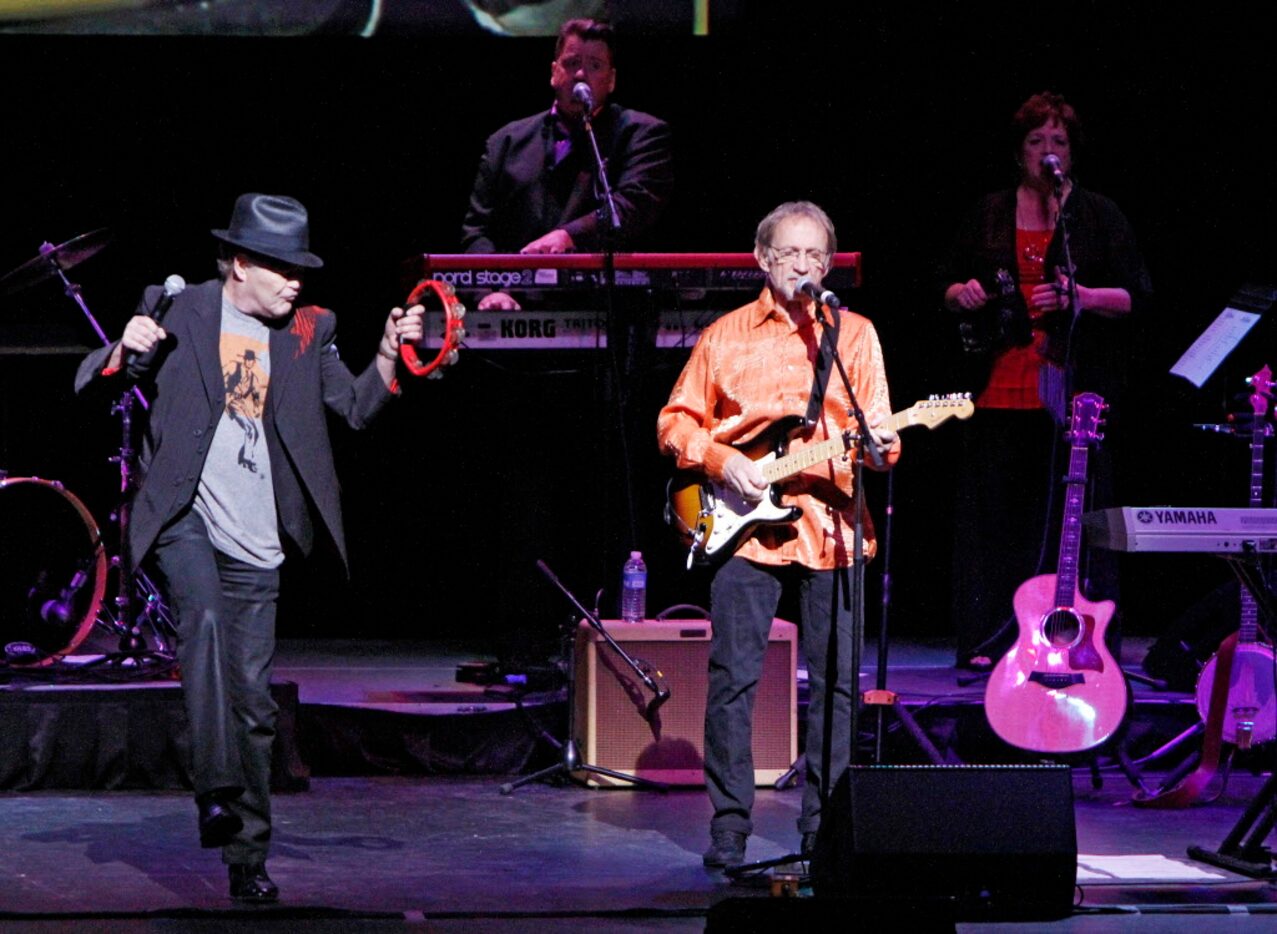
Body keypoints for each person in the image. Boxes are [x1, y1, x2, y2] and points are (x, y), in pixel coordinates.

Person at [75, 193, 424, 902]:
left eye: (302, 269)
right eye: (281, 268)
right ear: (239, 263)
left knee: (255, 708)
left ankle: (245, 857)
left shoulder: (309, 329)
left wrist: (390, 354)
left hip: (258, 539)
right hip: (185, 515)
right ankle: (215, 789)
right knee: (198, 622)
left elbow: (355, 409)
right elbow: (106, 379)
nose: (296, 282)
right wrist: (124, 350)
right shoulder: (181, 308)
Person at [657, 201, 900, 868]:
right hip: (744, 529)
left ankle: (824, 832)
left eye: (814, 255)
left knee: (836, 687)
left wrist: (882, 448)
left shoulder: (853, 337)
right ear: (762, 259)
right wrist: (721, 460)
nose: (802, 265)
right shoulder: (726, 336)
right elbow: (674, 422)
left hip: (832, 528)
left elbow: (879, 431)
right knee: (733, 679)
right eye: (789, 253)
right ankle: (729, 829)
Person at [939, 91, 1152, 670]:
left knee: (1068, 521)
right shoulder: (988, 211)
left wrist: (1079, 297)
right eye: (1037, 142)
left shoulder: (1097, 214)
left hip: (1072, 391)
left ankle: (1075, 637)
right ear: (1019, 153)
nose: (1048, 152)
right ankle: (987, 640)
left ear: (1072, 154)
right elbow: (948, 285)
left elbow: (1136, 295)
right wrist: (964, 294)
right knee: (995, 523)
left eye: (1058, 142)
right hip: (998, 385)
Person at [459, 17, 673, 310]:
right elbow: (477, 231)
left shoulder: (640, 133)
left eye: (595, 65)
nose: (581, 73)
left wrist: (567, 236)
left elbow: (633, 204)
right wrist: (488, 292)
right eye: (572, 63)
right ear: (554, 72)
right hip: (515, 305)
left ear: (611, 80)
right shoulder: (505, 142)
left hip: (607, 311)